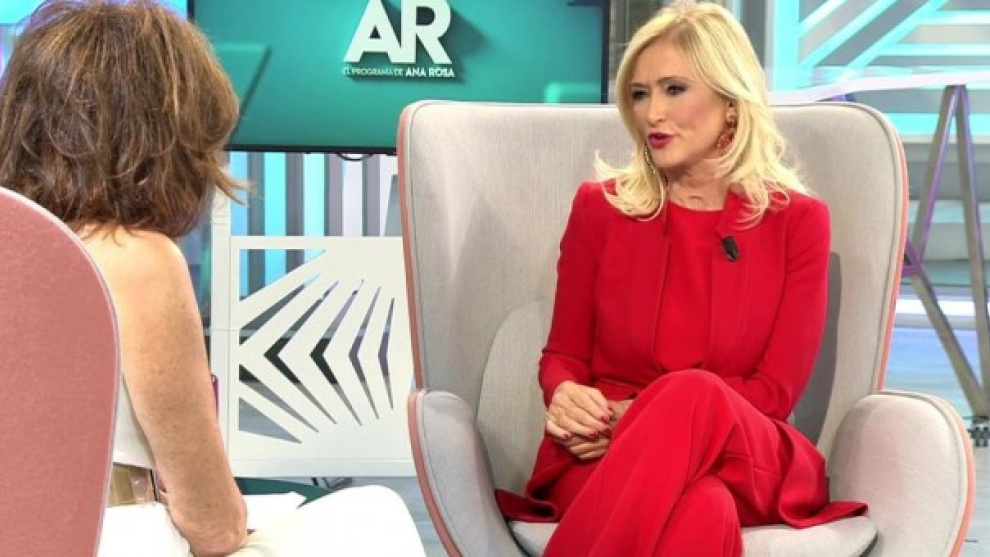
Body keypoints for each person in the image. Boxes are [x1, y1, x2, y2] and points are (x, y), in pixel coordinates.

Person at [0, 1, 425, 555]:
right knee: (376, 513)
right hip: (107, 538)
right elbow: (212, 523)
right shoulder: (137, 259)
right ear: (167, 135)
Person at [495, 2, 867, 555]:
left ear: (731, 102)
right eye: (640, 94)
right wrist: (565, 393)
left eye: (674, 90)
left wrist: (642, 418)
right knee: (703, 509)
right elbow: (564, 353)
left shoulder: (797, 221)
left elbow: (774, 392)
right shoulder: (600, 209)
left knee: (692, 391)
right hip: (600, 452)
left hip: (743, 454)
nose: (652, 113)